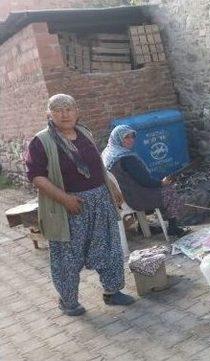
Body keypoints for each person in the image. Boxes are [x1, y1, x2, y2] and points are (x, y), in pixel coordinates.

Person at [25, 94, 135, 316]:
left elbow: (97, 166)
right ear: (49, 114)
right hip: (68, 206)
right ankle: (68, 301)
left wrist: (112, 188)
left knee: (109, 247)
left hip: (100, 200)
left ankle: (112, 292)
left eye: (69, 108)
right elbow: (36, 176)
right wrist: (65, 199)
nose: (64, 114)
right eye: (58, 109)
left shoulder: (85, 133)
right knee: (67, 256)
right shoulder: (41, 141)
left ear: (77, 111)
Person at [102, 125, 187, 236]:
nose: (131, 140)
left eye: (132, 137)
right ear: (117, 138)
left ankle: (143, 226)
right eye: (126, 137)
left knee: (161, 189)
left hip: (120, 198)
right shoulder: (126, 158)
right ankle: (173, 227)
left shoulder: (108, 153)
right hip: (136, 198)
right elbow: (145, 181)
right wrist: (162, 183)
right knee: (169, 191)